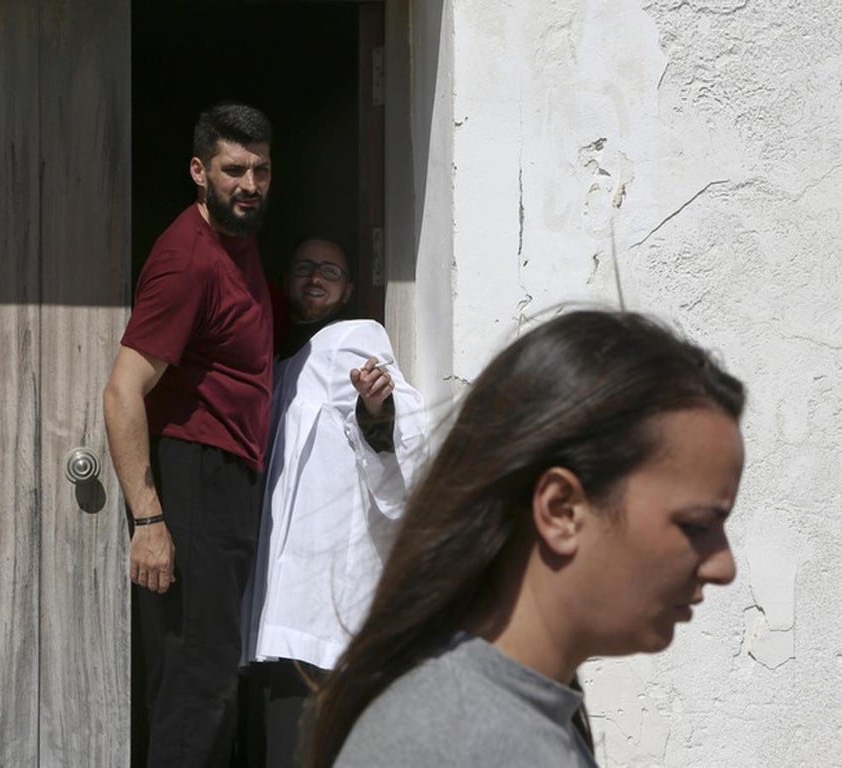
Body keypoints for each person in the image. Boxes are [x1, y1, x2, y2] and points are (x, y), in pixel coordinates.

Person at [306, 310, 746, 768]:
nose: (724, 566)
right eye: (696, 525)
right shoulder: (457, 739)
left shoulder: (510, 720)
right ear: (561, 510)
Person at [103, 103, 274, 767]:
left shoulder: (238, 238)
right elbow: (122, 392)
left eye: (261, 169)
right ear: (199, 171)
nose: (249, 184)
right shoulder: (189, 262)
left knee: (212, 682)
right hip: (193, 479)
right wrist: (149, 518)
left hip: (228, 482)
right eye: (234, 169)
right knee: (194, 687)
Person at [241, 239, 429, 767]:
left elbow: (402, 428)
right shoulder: (281, 362)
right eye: (304, 267)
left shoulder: (353, 339)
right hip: (282, 599)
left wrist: (377, 408)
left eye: (330, 270)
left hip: (321, 601)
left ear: (349, 289)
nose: (316, 276)